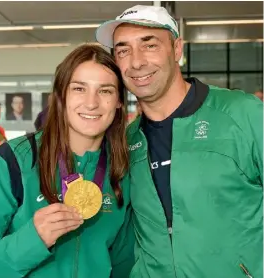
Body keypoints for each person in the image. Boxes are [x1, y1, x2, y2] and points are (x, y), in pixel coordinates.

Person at [96, 5, 263, 278]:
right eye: (123, 50)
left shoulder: (242, 114)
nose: (136, 62)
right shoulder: (125, 142)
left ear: (176, 49)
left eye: (149, 45)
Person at [0, 44, 134, 278]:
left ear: (119, 102)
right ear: (61, 95)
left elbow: (124, 261)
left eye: (105, 91)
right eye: (79, 89)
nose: (91, 103)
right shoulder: (14, 161)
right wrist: (33, 239)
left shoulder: (123, 169)